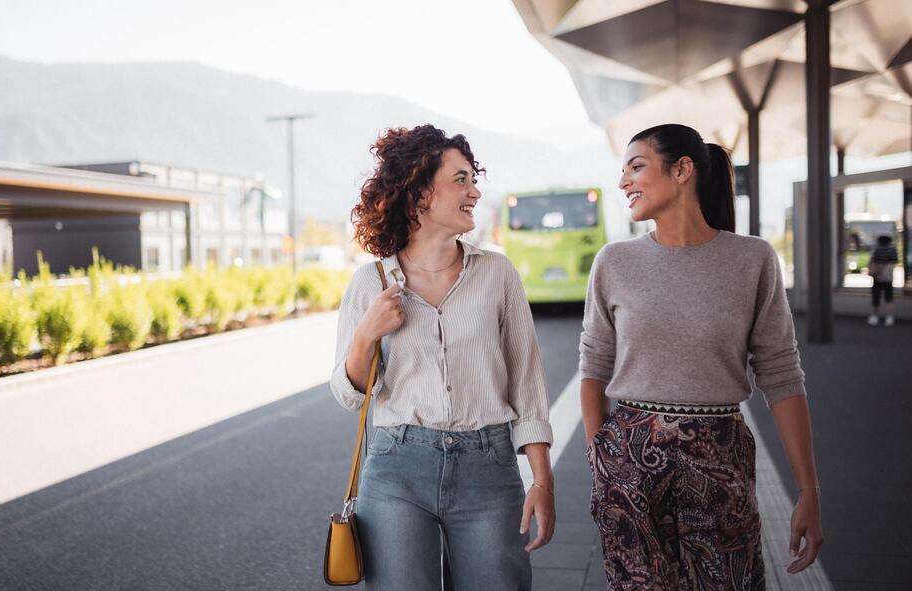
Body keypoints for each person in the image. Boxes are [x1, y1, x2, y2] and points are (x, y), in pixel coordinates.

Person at [579, 124, 823, 589]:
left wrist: (809, 491)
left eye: (636, 167)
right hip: (628, 462)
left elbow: (782, 375)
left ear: (682, 170)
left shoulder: (752, 260)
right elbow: (593, 364)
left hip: (721, 459)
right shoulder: (614, 262)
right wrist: (600, 459)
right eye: (622, 170)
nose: (623, 181)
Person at [331, 124, 554, 590]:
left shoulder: (497, 273)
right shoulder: (370, 283)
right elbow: (349, 394)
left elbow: (527, 383)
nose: (475, 191)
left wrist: (542, 481)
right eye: (460, 179)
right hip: (396, 469)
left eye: (473, 179)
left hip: (488, 468)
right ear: (419, 191)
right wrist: (365, 335)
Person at [867, 235, 898, 326]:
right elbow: (895, 261)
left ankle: (874, 317)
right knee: (889, 297)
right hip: (888, 277)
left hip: (877, 277)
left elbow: (873, 261)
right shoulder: (893, 250)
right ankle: (889, 317)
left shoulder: (876, 249)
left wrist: (879, 267)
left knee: (876, 297)